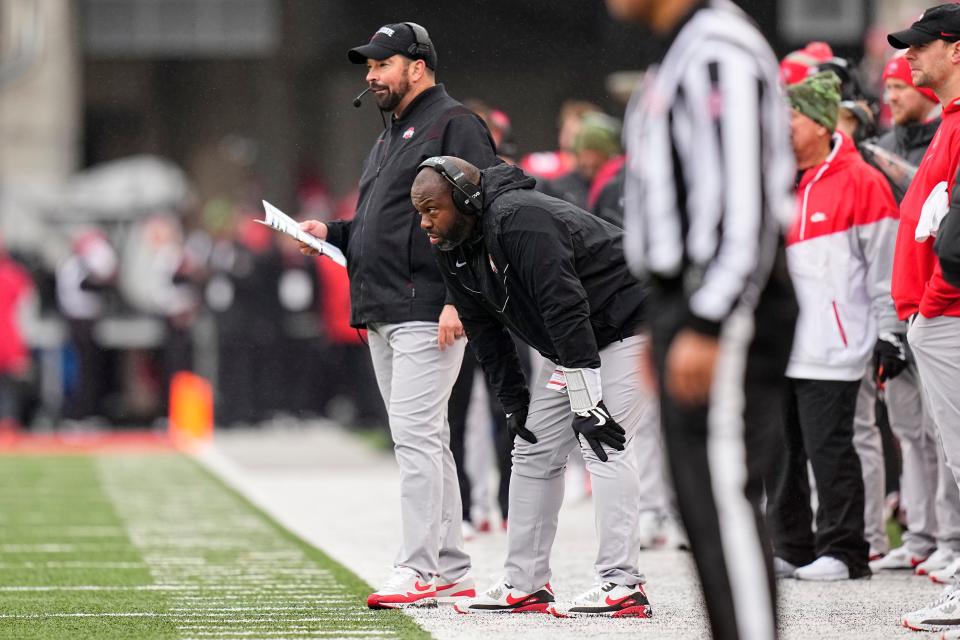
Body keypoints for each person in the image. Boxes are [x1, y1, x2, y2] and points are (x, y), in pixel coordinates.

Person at [607, 0, 798, 637]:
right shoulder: (681, 49)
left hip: (719, 301)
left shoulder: (718, 48)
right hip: (682, 300)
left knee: (724, 508)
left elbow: (746, 205)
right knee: (703, 512)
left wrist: (709, 320)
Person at [296, 22, 498, 609]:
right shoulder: (391, 136)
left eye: (382, 64)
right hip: (385, 304)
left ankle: (417, 568)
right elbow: (379, 225)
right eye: (368, 66)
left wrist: (461, 299)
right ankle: (452, 565)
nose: (371, 75)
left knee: (414, 440)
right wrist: (328, 233)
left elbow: (483, 214)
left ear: (417, 66)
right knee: (425, 441)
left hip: (426, 304)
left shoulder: (454, 123)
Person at [411, 156, 655, 618]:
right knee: (531, 447)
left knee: (604, 441)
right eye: (419, 212)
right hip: (578, 341)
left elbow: (564, 304)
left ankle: (623, 585)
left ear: (464, 200)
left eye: (431, 210)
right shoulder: (453, 246)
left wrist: (588, 402)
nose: (424, 222)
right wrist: (514, 402)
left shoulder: (521, 219)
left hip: (629, 324)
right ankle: (525, 583)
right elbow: (485, 331)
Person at [765, 72, 898, 582]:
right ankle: (791, 546)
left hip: (834, 347)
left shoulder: (862, 181)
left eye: (791, 116)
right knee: (781, 454)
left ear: (821, 124)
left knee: (832, 452)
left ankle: (846, 552)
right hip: (779, 345)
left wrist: (889, 332)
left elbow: (884, 267)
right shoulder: (773, 177)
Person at [862, 52, 960, 578]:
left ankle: (948, 540)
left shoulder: (948, 129)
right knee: (917, 433)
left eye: (898, 86)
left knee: (947, 437)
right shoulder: (898, 140)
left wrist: (933, 301)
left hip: (938, 307)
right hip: (915, 310)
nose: (891, 95)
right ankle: (927, 537)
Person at [884, 4, 960, 635]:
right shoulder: (950, 120)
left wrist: (933, 300)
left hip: (950, 314)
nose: (908, 56)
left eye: (919, 46)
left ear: (955, 49)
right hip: (938, 314)